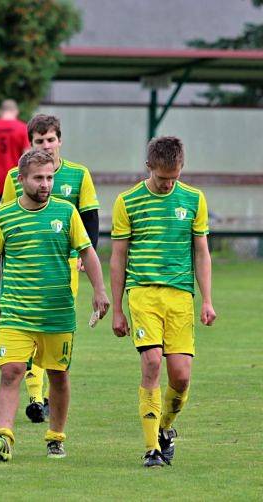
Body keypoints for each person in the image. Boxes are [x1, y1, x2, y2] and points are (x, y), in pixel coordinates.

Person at [0, 150, 109, 462]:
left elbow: (88, 252)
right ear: (21, 179)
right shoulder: (2, 216)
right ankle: (4, 437)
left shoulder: (66, 213)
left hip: (57, 313)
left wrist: (99, 290)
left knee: (58, 376)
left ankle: (55, 437)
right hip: (16, 311)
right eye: (39, 178)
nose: (45, 184)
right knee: (11, 372)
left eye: (50, 177)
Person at [110, 136, 216, 468]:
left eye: (175, 176)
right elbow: (118, 257)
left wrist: (207, 300)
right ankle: (150, 450)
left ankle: (165, 430)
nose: (169, 183)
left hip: (181, 296)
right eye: (162, 177)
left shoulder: (194, 199)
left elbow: (201, 252)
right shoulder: (127, 202)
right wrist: (117, 308)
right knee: (152, 362)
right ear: (148, 168)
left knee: (181, 376)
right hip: (143, 294)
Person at [0, 114, 100, 424]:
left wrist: (87, 253)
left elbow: (91, 216)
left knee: (49, 326)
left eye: (51, 139)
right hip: (27, 266)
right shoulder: (14, 177)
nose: (47, 145)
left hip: (65, 262)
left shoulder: (78, 175)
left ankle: (41, 398)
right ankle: (35, 396)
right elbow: (4, 221)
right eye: (40, 141)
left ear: (60, 140)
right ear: (30, 143)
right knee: (26, 327)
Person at [0, 99, 29, 214]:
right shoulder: (23, 128)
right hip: (17, 186)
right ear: (16, 111)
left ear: (0, 112)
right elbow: (28, 159)